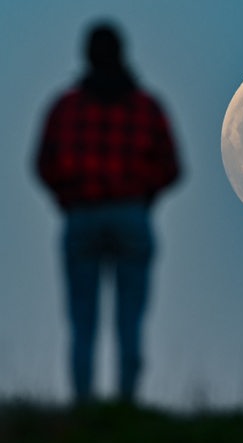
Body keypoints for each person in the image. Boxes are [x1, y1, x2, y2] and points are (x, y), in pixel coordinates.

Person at [34, 21, 181, 404]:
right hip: (130, 215)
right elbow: (171, 166)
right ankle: (125, 403)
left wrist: (66, 196)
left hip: (82, 215)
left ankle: (84, 403)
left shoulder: (66, 107)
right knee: (129, 319)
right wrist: (143, 194)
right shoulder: (147, 107)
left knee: (82, 320)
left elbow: (43, 162)